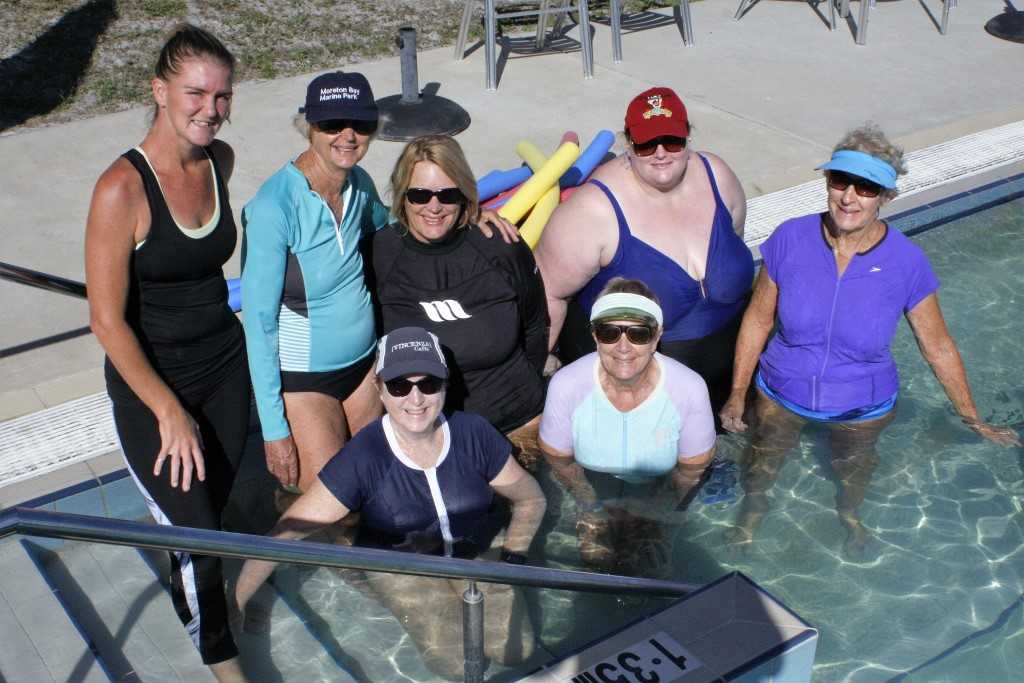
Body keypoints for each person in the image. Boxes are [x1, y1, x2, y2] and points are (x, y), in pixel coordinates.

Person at [719, 123, 1022, 558]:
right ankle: (751, 517)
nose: (849, 196)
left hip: (863, 407)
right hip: (781, 392)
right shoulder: (790, 238)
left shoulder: (907, 263)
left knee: (853, 473)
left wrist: (973, 419)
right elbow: (757, 319)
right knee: (761, 464)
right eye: (840, 181)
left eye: (866, 187)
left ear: (886, 197)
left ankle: (849, 514)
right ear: (827, 182)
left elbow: (937, 346)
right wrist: (736, 394)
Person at [242, 78, 519, 496]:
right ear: (309, 126)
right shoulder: (273, 207)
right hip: (304, 382)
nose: (348, 136)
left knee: (390, 490)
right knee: (329, 510)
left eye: (361, 124)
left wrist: (469, 213)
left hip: (364, 373)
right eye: (333, 123)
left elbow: (400, 224)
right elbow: (258, 325)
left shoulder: (358, 185)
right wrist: (274, 430)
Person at [233, 327, 545, 680]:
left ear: (446, 384)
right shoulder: (364, 457)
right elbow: (285, 534)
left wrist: (512, 559)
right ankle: (362, 564)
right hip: (401, 564)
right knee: (457, 667)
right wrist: (237, 601)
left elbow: (531, 499)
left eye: (428, 383)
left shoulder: (473, 433)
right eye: (399, 385)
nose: (416, 399)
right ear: (379, 389)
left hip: (477, 550)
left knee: (516, 652)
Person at [84, 25, 248, 682]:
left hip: (224, 366)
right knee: (200, 538)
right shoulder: (120, 189)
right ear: (159, 90)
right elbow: (106, 319)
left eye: (222, 95)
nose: (210, 108)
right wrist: (168, 410)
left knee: (233, 508)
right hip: (154, 385)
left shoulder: (219, 161)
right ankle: (224, 663)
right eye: (195, 93)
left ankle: (197, 589)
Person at [534, 87, 753, 424]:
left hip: (732, 389)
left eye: (672, 141)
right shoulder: (594, 211)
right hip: (640, 405)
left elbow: (736, 241)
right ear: (628, 144)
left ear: (688, 136)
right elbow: (547, 293)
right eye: (647, 143)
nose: (661, 153)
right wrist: (538, 372)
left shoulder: (717, 176)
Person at [367, 135, 549, 469]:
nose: (433, 207)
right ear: (402, 196)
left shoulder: (499, 244)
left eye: (447, 194)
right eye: (419, 194)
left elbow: (536, 322)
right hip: (428, 434)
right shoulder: (379, 253)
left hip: (517, 422)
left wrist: (529, 383)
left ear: (464, 193)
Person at [539, 279, 717, 577]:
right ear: (595, 335)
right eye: (610, 332)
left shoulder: (689, 389)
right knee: (593, 563)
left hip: (662, 488)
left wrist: (651, 515)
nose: (623, 348)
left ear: (657, 335)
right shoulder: (567, 385)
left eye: (638, 333)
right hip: (594, 484)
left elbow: (690, 471)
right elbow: (559, 460)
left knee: (655, 569)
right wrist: (590, 506)